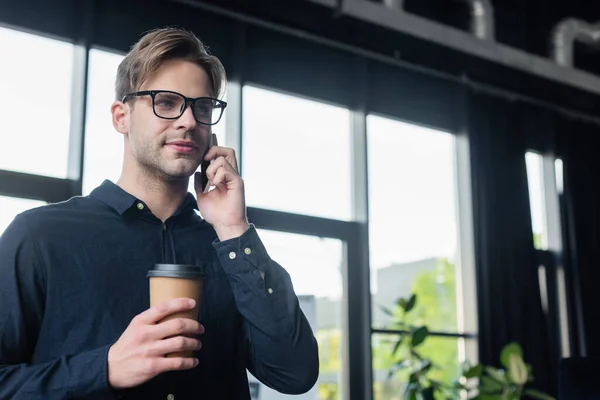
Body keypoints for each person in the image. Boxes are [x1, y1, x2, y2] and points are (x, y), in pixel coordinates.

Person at [0, 27, 319, 399]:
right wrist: (103, 368)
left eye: (202, 107)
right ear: (121, 116)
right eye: (166, 102)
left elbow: (295, 373)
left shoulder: (231, 250)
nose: (188, 121)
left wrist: (234, 228)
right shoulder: (39, 236)